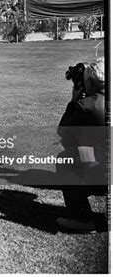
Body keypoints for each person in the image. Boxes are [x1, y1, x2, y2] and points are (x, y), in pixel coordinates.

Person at [56, 57, 106, 233]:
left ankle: (81, 218)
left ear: (90, 81)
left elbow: (63, 132)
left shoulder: (87, 106)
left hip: (104, 174)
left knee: (66, 159)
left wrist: (74, 101)